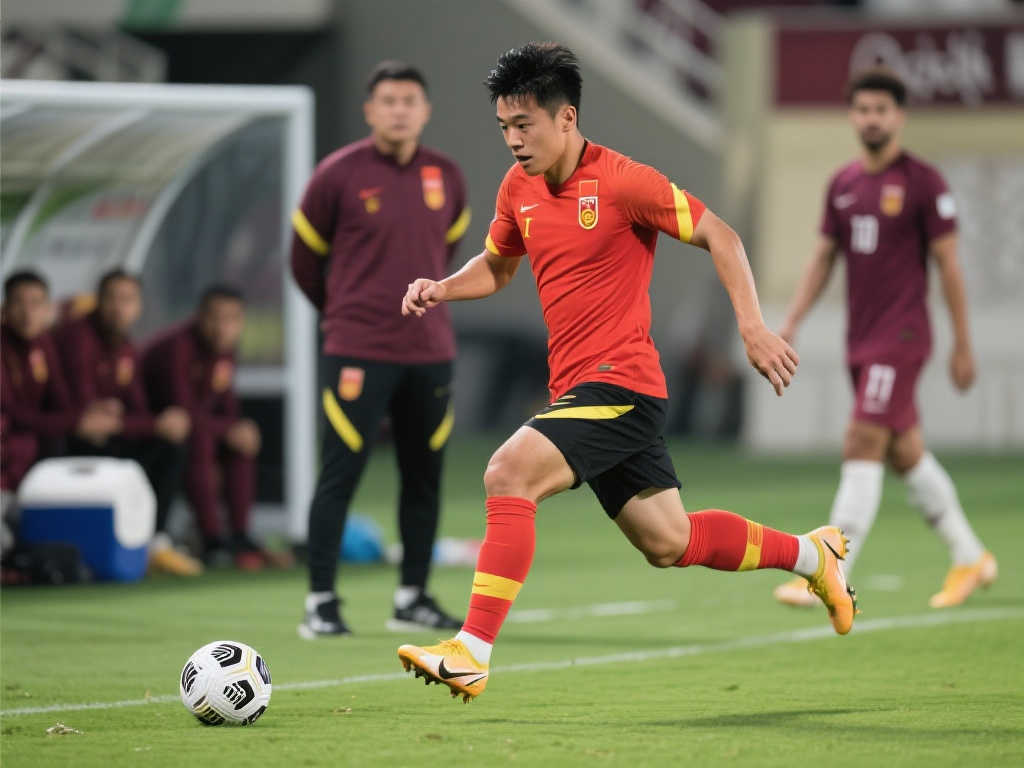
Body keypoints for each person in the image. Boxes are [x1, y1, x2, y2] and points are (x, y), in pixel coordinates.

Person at [395, 43, 856, 703]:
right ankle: (815, 555)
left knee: (507, 472)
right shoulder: (518, 188)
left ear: (566, 117)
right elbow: (497, 266)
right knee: (670, 541)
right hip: (584, 391)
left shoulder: (622, 181)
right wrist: (442, 287)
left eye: (524, 125)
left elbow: (722, 235)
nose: (513, 140)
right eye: (504, 127)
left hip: (620, 386)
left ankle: (471, 651)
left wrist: (753, 327)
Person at [773, 69, 996, 610]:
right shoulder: (843, 184)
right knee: (904, 452)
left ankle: (831, 567)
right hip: (861, 339)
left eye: (881, 110)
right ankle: (970, 556)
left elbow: (949, 266)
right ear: (853, 116)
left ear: (899, 116)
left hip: (902, 335)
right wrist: (791, 321)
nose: (871, 119)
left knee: (861, 440)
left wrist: (963, 343)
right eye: (863, 110)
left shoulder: (923, 183)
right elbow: (823, 258)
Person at [291, 60, 469, 638]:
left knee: (424, 477)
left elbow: (446, 255)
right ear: (370, 110)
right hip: (357, 351)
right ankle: (321, 601)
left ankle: (412, 597)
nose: (399, 110)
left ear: (426, 110)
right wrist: (347, 314)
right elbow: (303, 261)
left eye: (409, 100)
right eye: (388, 100)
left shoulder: (448, 176)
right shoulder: (336, 175)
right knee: (339, 474)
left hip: (430, 350)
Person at [55, 269, 200, 576]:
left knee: (171, 444)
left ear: (139, 306)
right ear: (98, 301)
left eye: (128, 299)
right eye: (112, 298)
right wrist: (139, 423)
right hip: (70, 442)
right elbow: (87, 416)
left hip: (113, 437)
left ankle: (155, 541)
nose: (119, 308)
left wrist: (149, 423)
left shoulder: (126, 347)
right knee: (149, 439)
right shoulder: (77, 338)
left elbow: (137, 409)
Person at [142, 285, 272, 570]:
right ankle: (211, 540)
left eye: (232, 319)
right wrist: (228, 428)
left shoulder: (225, 353)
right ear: (200, 316)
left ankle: (239, 536)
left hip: (194, 430)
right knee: (200, 440)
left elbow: (225, 405)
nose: (223, 327)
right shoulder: (178, 348)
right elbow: (183, 411)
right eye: (216, 317)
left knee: (242, 441)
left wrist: (237, 428)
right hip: (151, 435)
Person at [1, 271, 122, 553]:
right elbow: (11, 413)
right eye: (19, 303)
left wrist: (89, 414)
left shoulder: (44, 344)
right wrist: (75, 422)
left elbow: (61, 401)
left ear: (48, 309)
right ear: (5, 309)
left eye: (36, 303)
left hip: (33, 453)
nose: (27, 313)